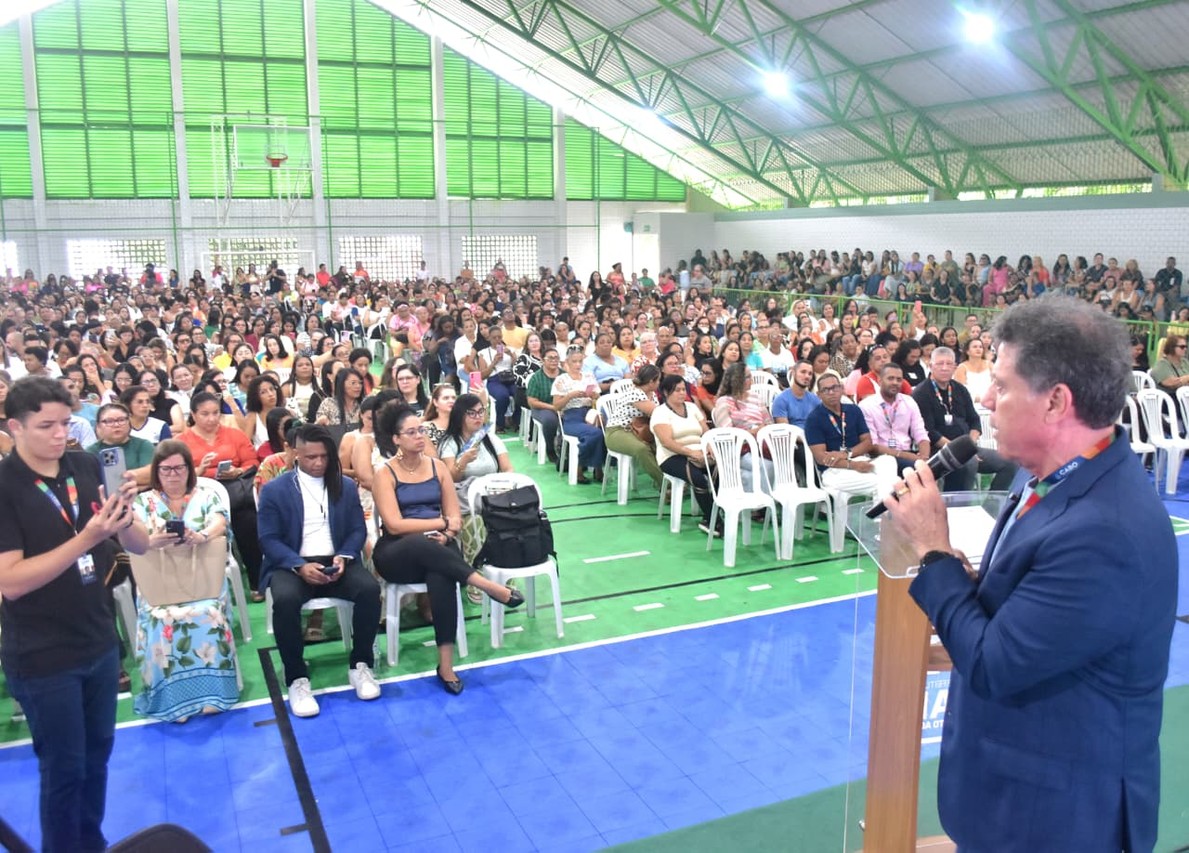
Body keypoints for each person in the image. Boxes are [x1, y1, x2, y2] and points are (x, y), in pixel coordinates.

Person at [881, 297, 1177, 852]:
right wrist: (973, 588)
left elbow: (994, 664)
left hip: (1056, 818)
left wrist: (934, 552)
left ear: (1055, 402)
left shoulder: (1106, 531)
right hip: (1017, 795)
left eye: (1002, 385)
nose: (986, 400)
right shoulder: (1051, 476)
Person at [0, 377, 148, 852]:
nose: (60, 434)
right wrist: (88, 537)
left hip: (98, 639)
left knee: (97, 758)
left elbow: (138, 544)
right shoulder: (6, 487)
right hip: (43, 654)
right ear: (15, 427)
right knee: (64, 770)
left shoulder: (85, 465)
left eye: (66, 423)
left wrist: (126, 516)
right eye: (46, 426)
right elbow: (11, 582)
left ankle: (91, 843)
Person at [370, 406, 525, 694]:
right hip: (397, 552)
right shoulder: (385, 473)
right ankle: (485, 585)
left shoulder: (437, 467)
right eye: (411, 432)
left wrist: (447, 532)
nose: (420, 436)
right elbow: (395, 525)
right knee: (420, 542)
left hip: (439, 544)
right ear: (396, 439)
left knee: (440, 573)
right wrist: (440, 524)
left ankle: (445, 665)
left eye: (421, 430)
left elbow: (454, 517)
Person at [257, 424, 381, 718]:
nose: (318, 463)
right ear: (295, 454)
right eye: (311, 457)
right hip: (292, 563)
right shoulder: (274, 490)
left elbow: (357, 529)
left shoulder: (344, 486)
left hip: (336, 560)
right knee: (285, 600)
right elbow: (268, 539)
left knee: (369, 590)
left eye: (324, 456)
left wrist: (344, 556)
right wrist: (299, 565)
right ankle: (296, 677)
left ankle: (361, 664)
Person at [127, 441, 238, 722]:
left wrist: (202, 536)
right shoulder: (142, 502)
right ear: (156, 472)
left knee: (209, 613)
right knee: (160, 619)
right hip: (159, 584)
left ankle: (214, 692)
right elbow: (133, 537)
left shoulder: (207, 496)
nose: (173, 474)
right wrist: (151, 541)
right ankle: (173, 697)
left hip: (204, 580)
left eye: (179, 468)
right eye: (166, 469)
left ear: (190, 469)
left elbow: (220, 522)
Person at [176, 392, 265, 598]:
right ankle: (204, 587)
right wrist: (198, 471)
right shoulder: (181, 442)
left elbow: (252, 462)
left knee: (248, 520)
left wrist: (238, 471)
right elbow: (177, 473)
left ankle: (257, 581)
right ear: (193, 415)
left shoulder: (234, 435)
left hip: (235, 491)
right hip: (198, 495)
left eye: (215, 413)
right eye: (205, 414)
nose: (211, 418)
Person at [912, 347, 1017, 492]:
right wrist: (962, 450)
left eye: (949, 364)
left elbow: (974, 421)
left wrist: (969, 447)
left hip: (967, 448)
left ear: (955, 367)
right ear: (931, 366)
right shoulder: (921, 392)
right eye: (940, 364)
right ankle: (959, 503)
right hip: (938, 450)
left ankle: (993, 502)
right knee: (969, 463)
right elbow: (929, 432)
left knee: (1010, 462)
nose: (945, 368)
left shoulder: (960, 389)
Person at [804, 374, 897, 505]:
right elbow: (821, 458)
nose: (831, 392)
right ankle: (884, 517)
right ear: (819, 395)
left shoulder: (853, 410)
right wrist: (853, 465)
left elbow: (868, 442)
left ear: (842, 389)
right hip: (834, 471)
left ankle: (883, 515)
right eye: (826, 390)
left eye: (834, 387)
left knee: (889, 461)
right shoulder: (814, 418)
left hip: (858, 459)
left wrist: (845, 454)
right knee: (888, 483)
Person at [651, 373, 716, 536]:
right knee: (698, 478)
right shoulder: (660, 413)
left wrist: (709, 447)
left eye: (683, 389)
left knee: (721, 473)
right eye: (677, 390)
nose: (682, 393)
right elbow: (667, 442)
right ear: (666, 393)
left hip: (699, 452)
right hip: (672, 456)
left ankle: (716, 513)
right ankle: (713, 521)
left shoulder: (692, 408)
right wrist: (691, 452)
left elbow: (705, 432)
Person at [858, 363, 931, 474]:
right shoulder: (866, 406)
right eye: (890, 378)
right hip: (881, 457)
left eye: (899, 380)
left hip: (908, 453)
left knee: (933, 467)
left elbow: (920, 433)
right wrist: (908, 456)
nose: (895, 383)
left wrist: (925, 458)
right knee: (914, 469)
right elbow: (872, 446)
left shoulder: (909, 401)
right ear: (880, 381)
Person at [601, 364, 663, 490]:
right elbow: (657, 413)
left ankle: (665, 483)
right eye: (658, 380)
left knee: (663, 445)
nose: (659, 383)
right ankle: (665, 484)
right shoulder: (635, 393)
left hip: (639, 430)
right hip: (617, 431)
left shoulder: (652, 394)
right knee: (642, 449)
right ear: (651, 381)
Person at [551, 346, 607, 484]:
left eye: (580, 361)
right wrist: (570, 396)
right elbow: (556, 406)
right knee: (595, 433)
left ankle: (595, 468)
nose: (577, 365)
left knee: (604, 430)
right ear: (567, 362)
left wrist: (594, 395)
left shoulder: (589, 376)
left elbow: (598, 397)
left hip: (589, 413)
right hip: (571, 417)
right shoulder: (561, 380)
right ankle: (582, 467)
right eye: (574, 361)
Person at [87, 402, 154, 488]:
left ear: (129, 422)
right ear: (99, 425)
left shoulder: (143, 445)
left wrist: (117, 481)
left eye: (121, 420)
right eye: (109, 421)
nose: (116, 425)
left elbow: (151, 473)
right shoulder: (90, 452)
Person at [526, 348, 563, 465]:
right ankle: (550, 450)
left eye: (556, 358)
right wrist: (553, 408)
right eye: (550, 358)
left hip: (562, 406)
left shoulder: (564, 375)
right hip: (542, 407)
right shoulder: (536, 378)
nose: (554, 360)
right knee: (550, 420)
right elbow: (532, 401)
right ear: (542, 360)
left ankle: (566, 450)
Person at [772, 360, 821, 429]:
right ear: (793, 373)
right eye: (803, 372)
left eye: (810, 374)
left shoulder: (815, 400)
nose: (807, 376)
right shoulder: (781, 400)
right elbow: (785, 430)